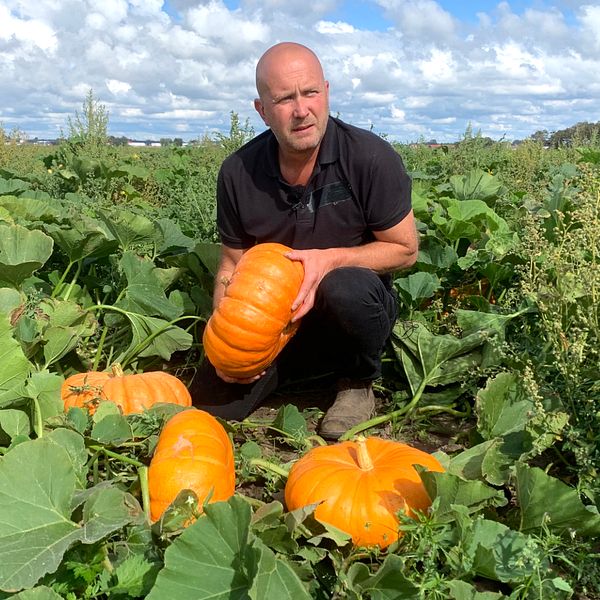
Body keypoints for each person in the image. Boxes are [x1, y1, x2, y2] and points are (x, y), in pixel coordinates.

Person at [191, 41, 417, 440]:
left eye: (310, 92)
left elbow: (404, 249)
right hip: (275, 321)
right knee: (208, 408)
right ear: (262, 110)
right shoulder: (238, 173)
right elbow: (231, 264)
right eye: (283, 99)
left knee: (343, 284)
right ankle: (292, 371)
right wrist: (225, 335)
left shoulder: (370, 157)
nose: (301, 110)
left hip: (347, 314)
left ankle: (355, 380)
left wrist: (326, 260)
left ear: (326, 91)